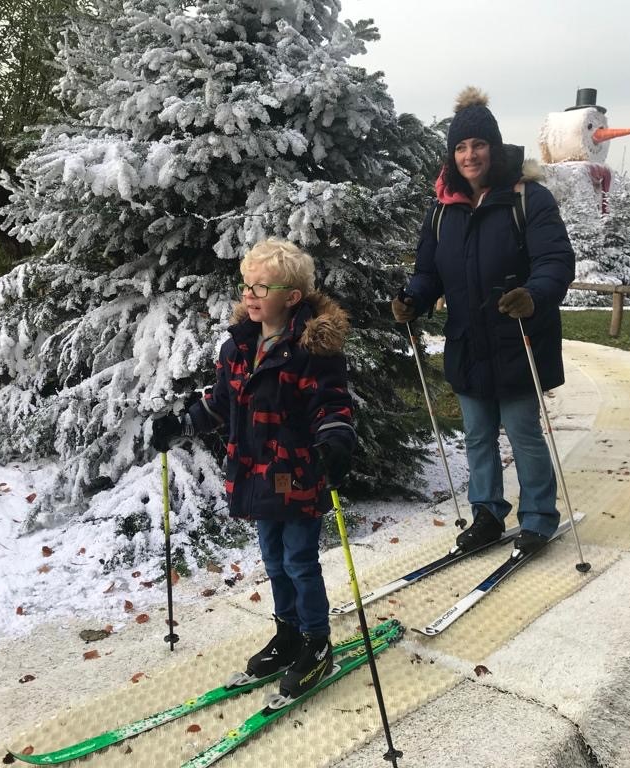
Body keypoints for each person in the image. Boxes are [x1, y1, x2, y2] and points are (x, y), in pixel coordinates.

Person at [151, 238, 356, 698]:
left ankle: (315, 642)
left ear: (293, 297)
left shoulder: (311, 349)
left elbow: (331, 404)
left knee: (300, 561)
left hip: (299, 474)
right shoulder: (238, 347)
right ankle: (287, 634)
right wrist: (181, 422)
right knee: (274, 561)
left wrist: (336, 440)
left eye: (262, 287)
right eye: (247, 285)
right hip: (254, 473)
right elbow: (221, 403)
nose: (250, 295)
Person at [392, 87, 575, 558]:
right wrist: (413, 298)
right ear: (452, 155)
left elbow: (555, 260)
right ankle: (488, 514)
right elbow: (429, 271)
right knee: (476, 434)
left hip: (516, 336)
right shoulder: (442, 209)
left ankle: (537, 518)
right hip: (468, 340)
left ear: (492, 147)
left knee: (522, 432)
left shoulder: (526, 198)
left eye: (477, 145)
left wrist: (532, 297)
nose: (470, 155)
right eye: (460, 147)